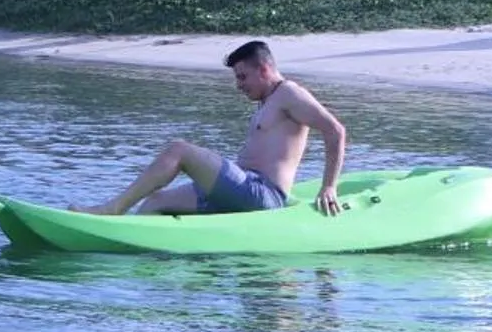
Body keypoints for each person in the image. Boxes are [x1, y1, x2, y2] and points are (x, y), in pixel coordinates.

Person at [86, 39, 346, 217]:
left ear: (264, 69)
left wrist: (328, 187)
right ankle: (140, 258)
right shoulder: (268, 100)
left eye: (242, 77)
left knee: (180, 150)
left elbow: (335, 130)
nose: (239, 85)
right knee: (156, 202)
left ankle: (113, 209)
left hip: (263, 195)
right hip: (242, 191)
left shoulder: (289, 93)